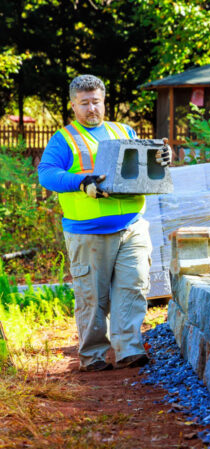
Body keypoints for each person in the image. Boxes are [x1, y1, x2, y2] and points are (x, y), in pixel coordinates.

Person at [38, 74, 171, 372]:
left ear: (103, 101)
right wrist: (80, 181)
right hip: (88, 233)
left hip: (132, 226)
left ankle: (129, 350)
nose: (91, 108)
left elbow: (145, 165)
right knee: (92, 298)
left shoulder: (123, 130)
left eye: (96, 102)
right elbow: (46, 174)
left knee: (133, 288)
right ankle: (94, 356)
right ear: (73, 105)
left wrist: (163, 156)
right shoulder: (64, 139)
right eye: (84, 103)